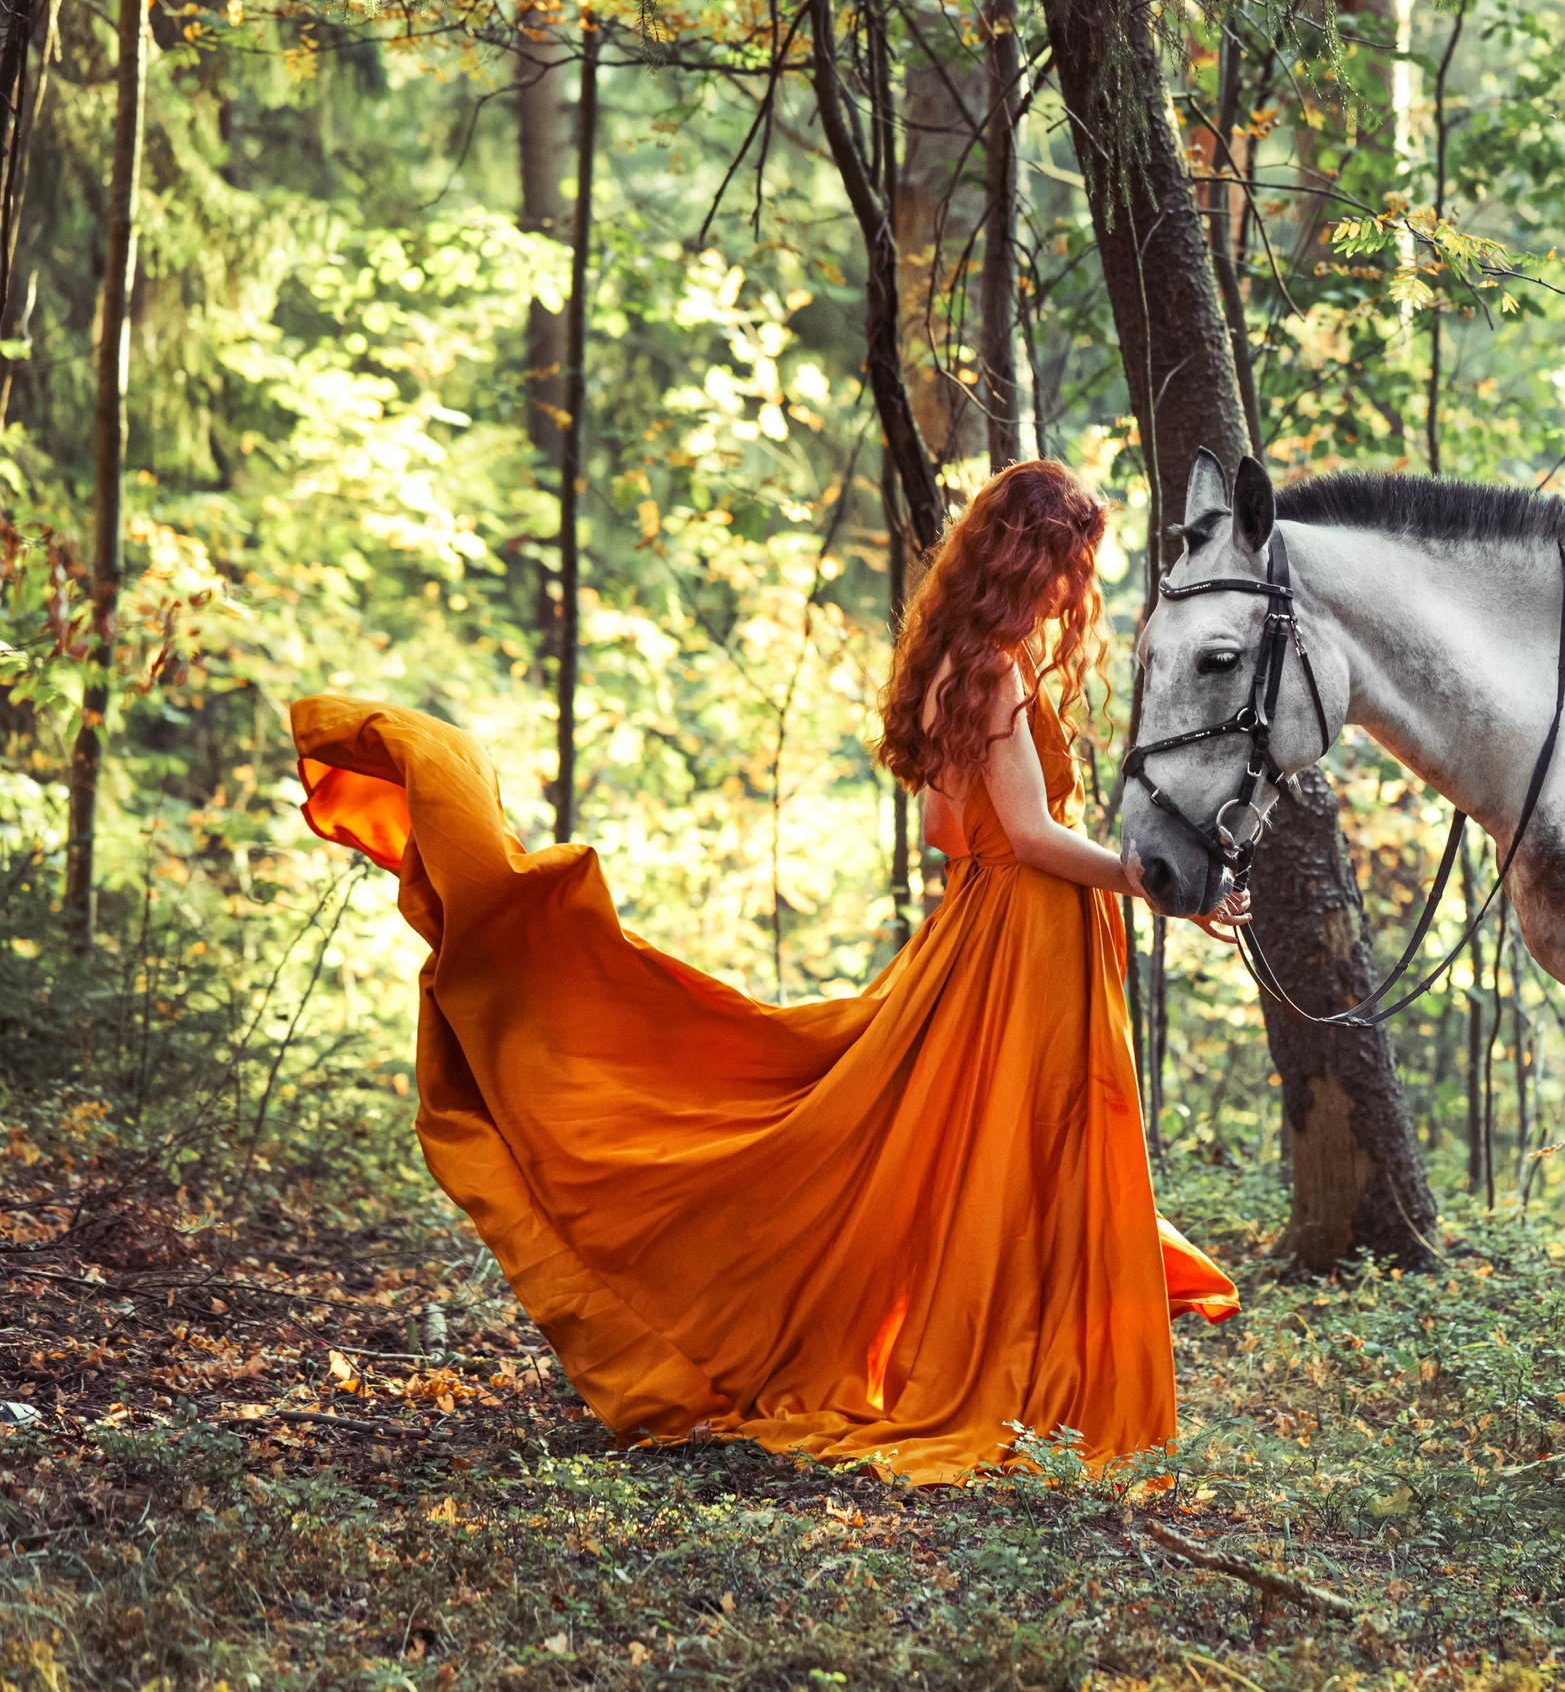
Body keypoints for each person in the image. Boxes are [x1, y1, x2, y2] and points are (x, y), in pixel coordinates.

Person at [290, 460, 1241, 1483]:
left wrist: (1023, 872)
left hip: (984, 930)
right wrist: (1152, 883)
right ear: (1031, 560)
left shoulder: (951, 665)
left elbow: (943, 830)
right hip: (1026, 941)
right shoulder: (1000, 674)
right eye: (1068, 568)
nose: (1072, 593)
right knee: (1020, 1144)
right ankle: (1028, 1391)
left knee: (974, 1145)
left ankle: (1021, 1383)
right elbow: (1026, 833)